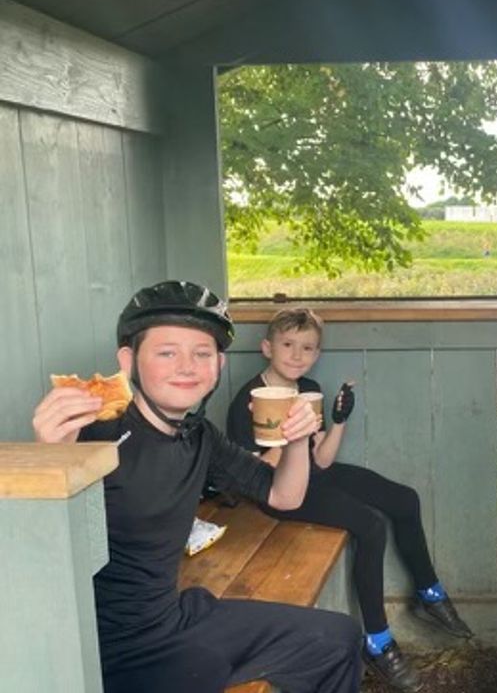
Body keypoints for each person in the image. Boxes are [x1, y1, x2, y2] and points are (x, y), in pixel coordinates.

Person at [31, 281, 362, 693]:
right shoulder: (94, 433)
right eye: (167, 352)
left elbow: (284, 496)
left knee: (338, 640)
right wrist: (51, 460)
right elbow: (42, 558)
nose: (187, 366)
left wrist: (295, 440)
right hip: (109, 648)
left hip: (171, 619)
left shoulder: (200, 436)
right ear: (128, 361)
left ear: (218, 365)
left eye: (202, 353)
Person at [227, 308, 474, 692]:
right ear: (266, 348)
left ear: (317, 353)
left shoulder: (308, 388)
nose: (297, 355)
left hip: (313, 474)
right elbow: (257, 475)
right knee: (370, 525)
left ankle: (430, 592)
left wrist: (339, 420)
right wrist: (285, 433)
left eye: (307, 347)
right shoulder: (248, 400)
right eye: (287, 345)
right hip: (278, 491)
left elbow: (322, 460)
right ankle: (378, 641)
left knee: (404, 499)